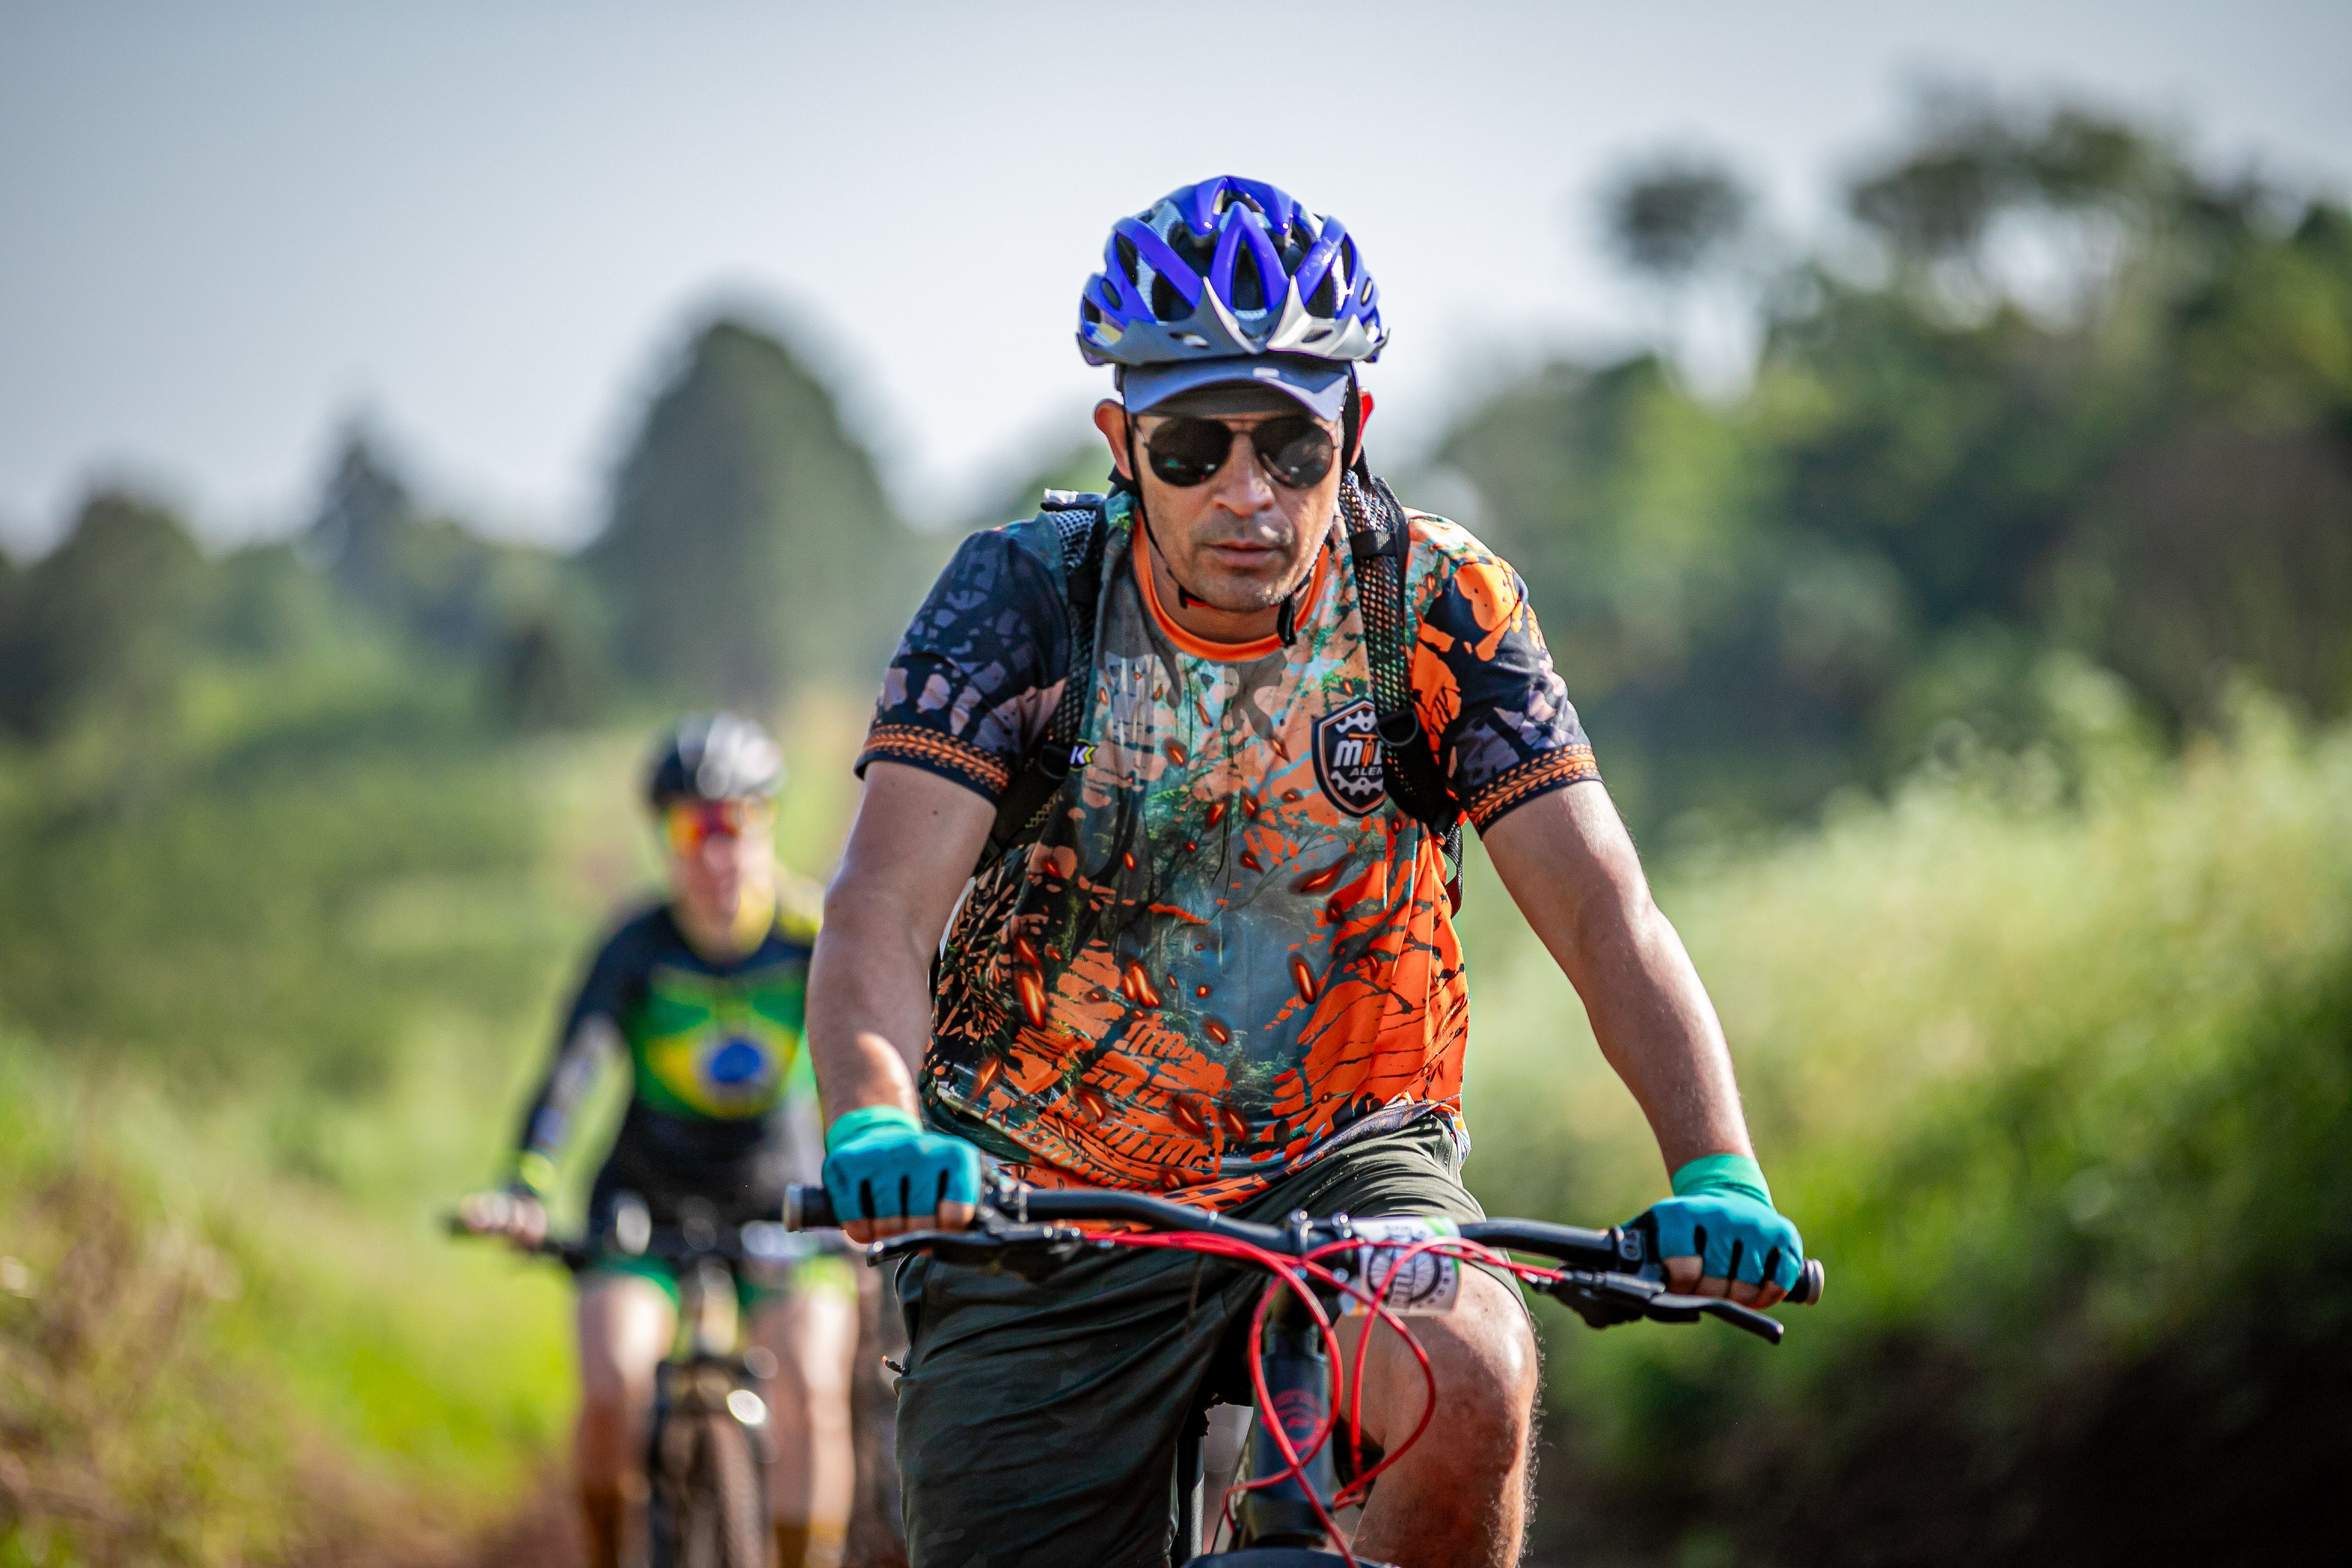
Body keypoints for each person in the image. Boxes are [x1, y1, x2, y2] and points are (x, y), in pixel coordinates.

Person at [804, 176, 1806, 1567]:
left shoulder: (1437, 606)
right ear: (1120, 441)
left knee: (1471, 1365)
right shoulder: (1017, 602)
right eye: (1192, 447)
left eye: (1290, 445)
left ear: (1356, 430)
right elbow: (882, 907)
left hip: (1353, 1166)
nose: (1247, 493)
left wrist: (1719, 1169)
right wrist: (872, 1125)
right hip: (1040, 1203)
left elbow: (1602, 912)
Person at [461, 714, 859, 1568]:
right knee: (612, 1382)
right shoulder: (635, 947)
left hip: (788, 1200)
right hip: (647, 1197)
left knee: (814, 1386)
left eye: (736, 826)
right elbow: (573, 1070)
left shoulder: (813, 936)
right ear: (666, 841)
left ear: (767, 825)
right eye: (692, 831)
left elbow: (877, 1052)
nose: (717, 853)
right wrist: (526, 1185)